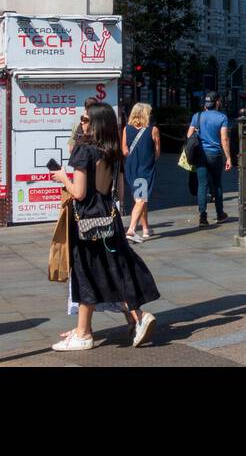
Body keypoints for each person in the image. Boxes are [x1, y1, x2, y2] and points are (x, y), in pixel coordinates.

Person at [51, 103, 158, 351]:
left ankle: (86, 333)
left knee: (86, 273)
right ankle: (127, 320)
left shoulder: (85, 151)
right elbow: (116, 189)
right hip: (108, 216)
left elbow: (78, 192)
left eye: (86, 119)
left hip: (86, 220)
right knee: (111, 269)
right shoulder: (110, 151)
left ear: (97, 123)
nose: (82, 123)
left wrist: (62, 178)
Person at [186, 92, 231, 227]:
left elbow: (189, 135)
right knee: (216, 184)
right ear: (217, 102)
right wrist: (228, 157)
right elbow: (224, 138)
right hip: (215, 154)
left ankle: (203, 217)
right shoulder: (222, 117)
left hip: (200, 154)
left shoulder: (197, 116)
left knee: (202, 184)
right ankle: (220, 214)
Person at [123, 103, 160, 242]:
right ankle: (131, 230)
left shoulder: (126, 129)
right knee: (141, 200)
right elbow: (157, 152)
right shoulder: (153, 130)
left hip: (131, 167)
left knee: (139, 198)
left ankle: (145, 229)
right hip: (145, 167)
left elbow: (125, 151)